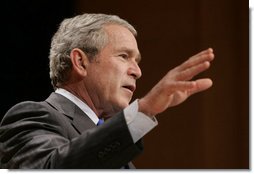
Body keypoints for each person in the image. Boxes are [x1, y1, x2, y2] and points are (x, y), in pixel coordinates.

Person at [0, 13, 214, 169]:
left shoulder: (118, 147)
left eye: (137, 61)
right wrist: (143, 111)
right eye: (124, 56)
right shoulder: (34, 116)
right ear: (80, 62)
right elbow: (53, 168)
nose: (138, 71)